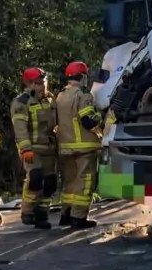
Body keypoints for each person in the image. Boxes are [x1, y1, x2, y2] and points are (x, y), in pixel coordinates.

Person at [56, 61, 103, 229]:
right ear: (83, 77)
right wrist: (100, 115)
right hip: (84, 148)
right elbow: (88, 120)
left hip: (65, 147)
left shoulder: (60, 95)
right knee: (85, 182)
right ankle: (79, 218)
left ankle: (66, 215)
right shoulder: (83, 95)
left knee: (70, 182)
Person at [11, 66, 58, 230]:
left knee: (51, 182)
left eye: (44, 82)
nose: (43, 86)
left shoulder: (50, 100)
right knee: (35, 178)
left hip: (49, 148)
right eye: (38, 83)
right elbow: (20, 127)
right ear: (29, 84)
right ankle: (28, 212)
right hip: (32, 149)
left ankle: (42, 214)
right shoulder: (21, 102)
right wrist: (25, 149)